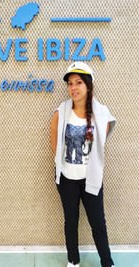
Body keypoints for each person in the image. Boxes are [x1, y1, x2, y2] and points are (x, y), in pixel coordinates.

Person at [50, 62, 116, 267]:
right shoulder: (60, 113)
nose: (73, 87)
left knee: (98, 223)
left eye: (79, 82)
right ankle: (73, 260)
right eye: (70, 83)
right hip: (67, 179)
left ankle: (107, 262)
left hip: (91, 179)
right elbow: (55, 144)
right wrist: (67, 166)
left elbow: (101, 145)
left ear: (88, 85)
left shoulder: (101, 114)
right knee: (71, 221)